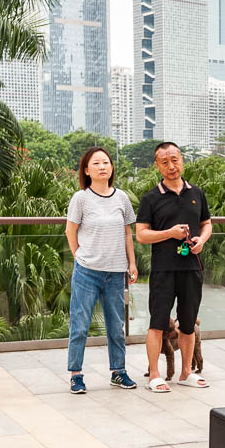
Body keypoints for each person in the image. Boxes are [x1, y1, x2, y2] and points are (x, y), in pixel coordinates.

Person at [135, 142, 212, 393]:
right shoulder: (151, 198)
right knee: (157, 323)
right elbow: (142, 235)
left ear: (182, 160)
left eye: (175, 160)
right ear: (157, 165)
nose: (171, 166)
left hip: (192, 267)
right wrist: (169, 233)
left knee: (188, 323)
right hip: (163, 269)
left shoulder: (196, 193)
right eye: (164, 162)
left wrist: (202, 239)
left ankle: (186, 372)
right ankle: (154, 375)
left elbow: (207, 224)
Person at [66, 148, 137, 394]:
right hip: (87, 271)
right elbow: (70, 231)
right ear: (87, 170)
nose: (102, 166)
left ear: (112, 168)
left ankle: (118, 371)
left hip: (116, 272)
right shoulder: (81, 198)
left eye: (106, 162)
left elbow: (128, 233)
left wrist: (132, 263)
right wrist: (80, 257)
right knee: (80, 324)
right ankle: (76, 374)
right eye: (96, 163)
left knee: (116, 325)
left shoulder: (122, 198)